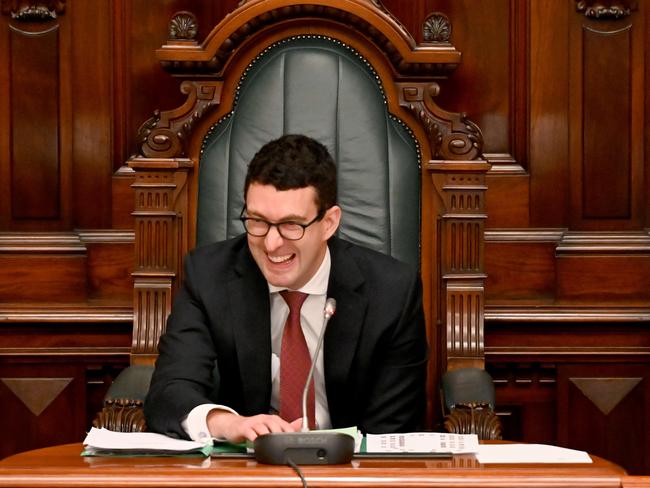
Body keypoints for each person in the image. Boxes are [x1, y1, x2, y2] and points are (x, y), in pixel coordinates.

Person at [144, 134, 428, 444]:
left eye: (291, 225)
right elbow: (169, 393)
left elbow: (393, 430)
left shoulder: (391, 292)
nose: (271, 243)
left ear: (330, 223)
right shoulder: (209, 275)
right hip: (246, 475)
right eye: (258, 221)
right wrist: (226, 423)